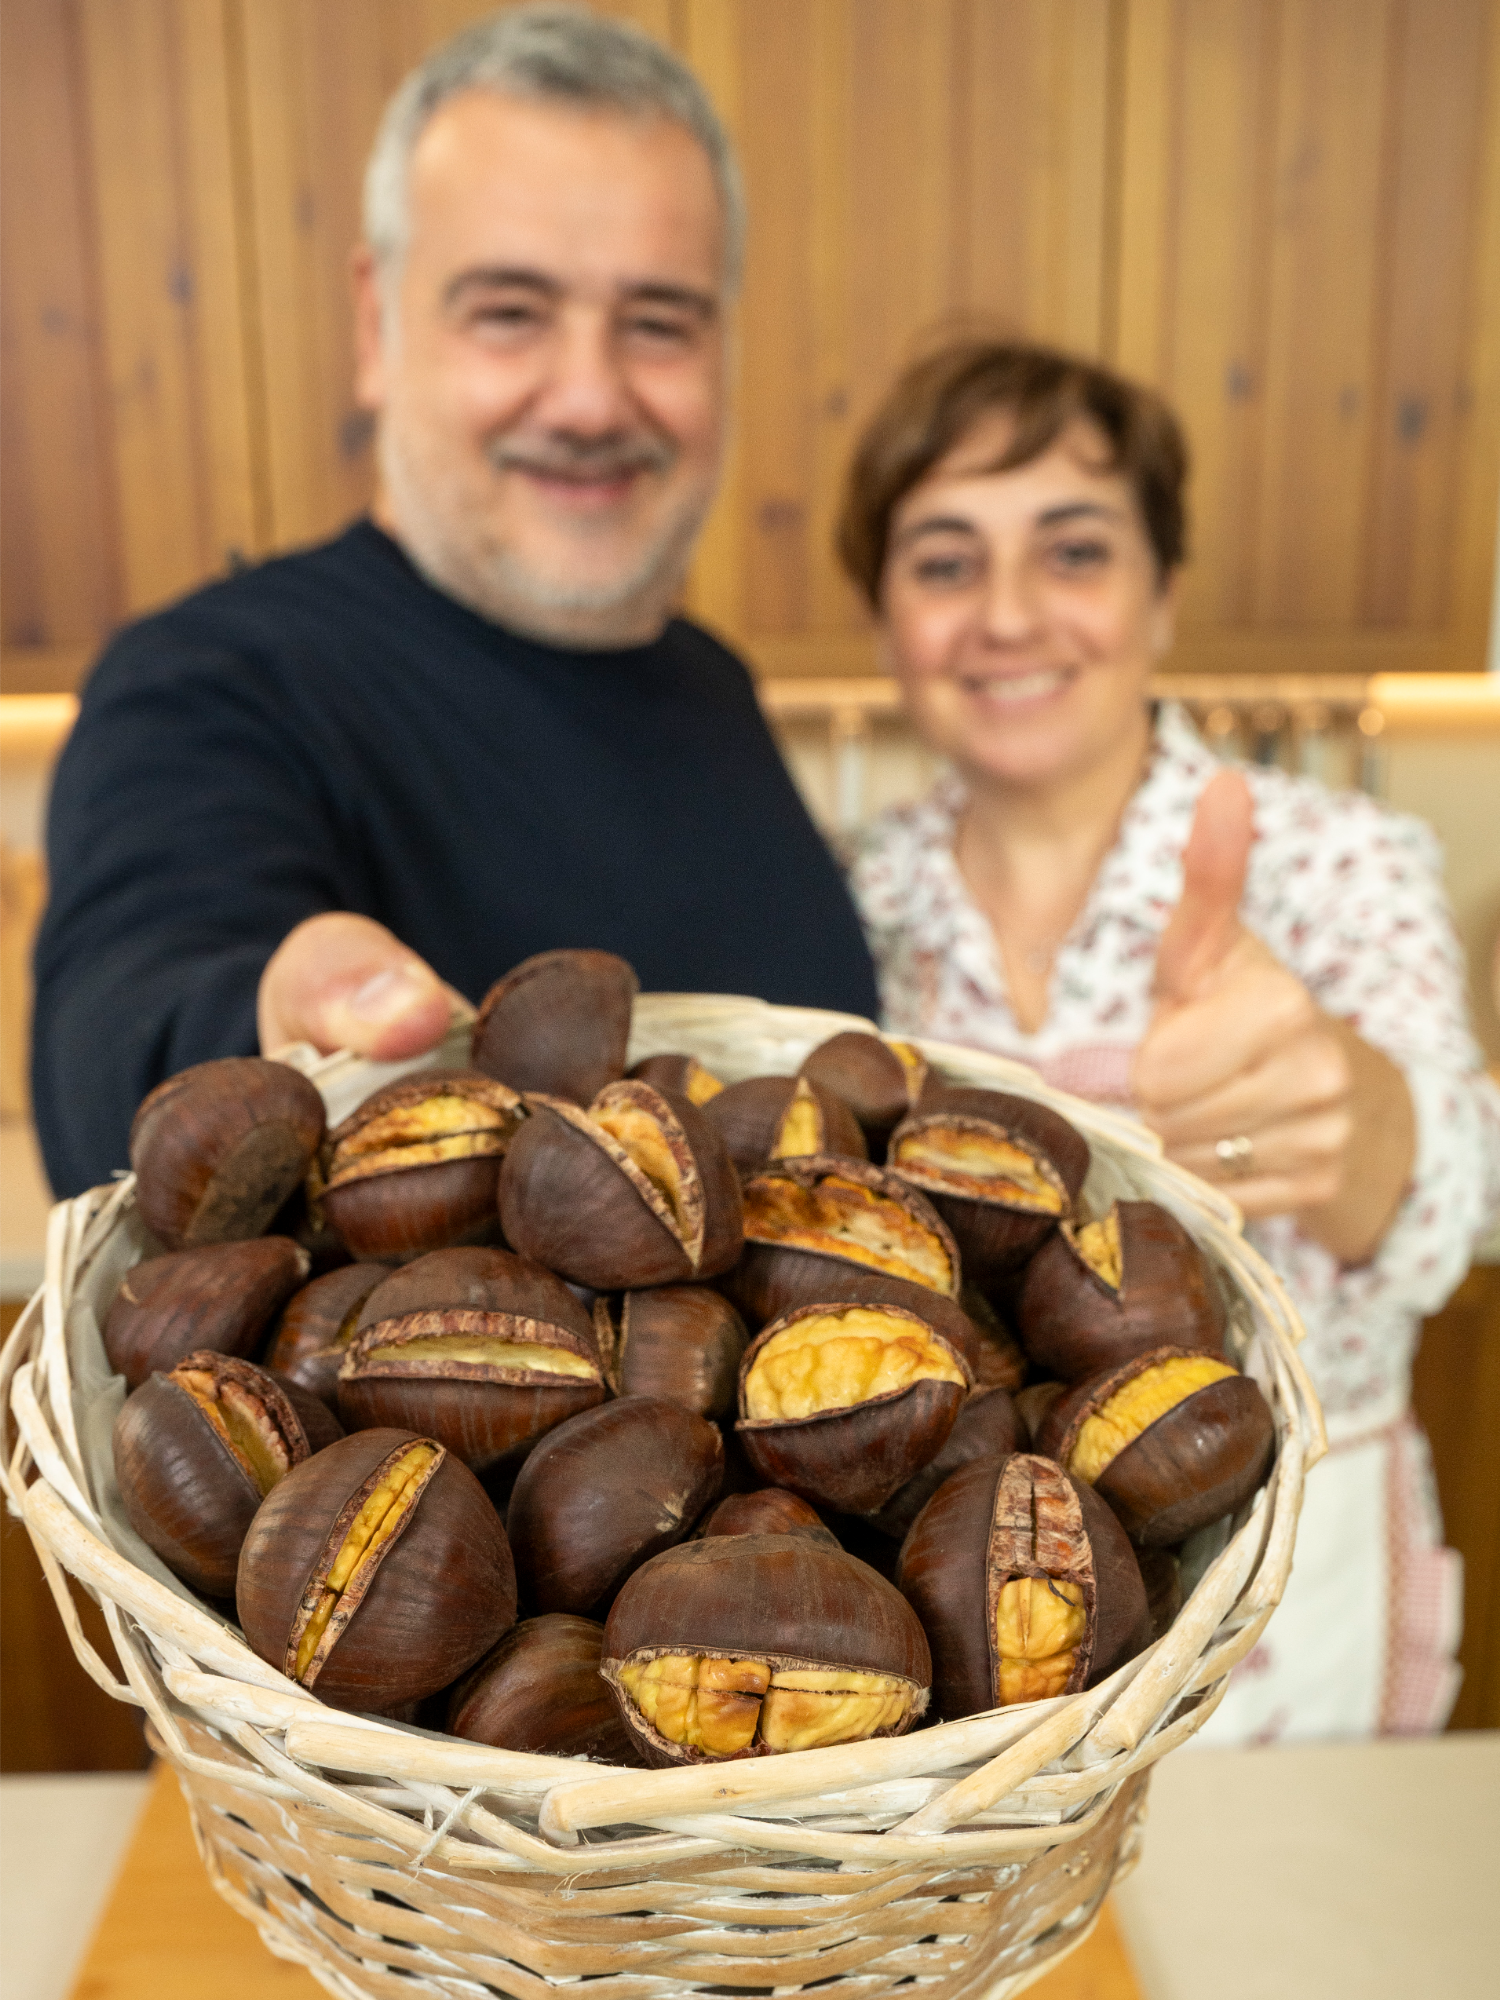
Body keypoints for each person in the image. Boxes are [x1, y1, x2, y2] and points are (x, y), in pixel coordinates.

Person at [32, 6, 878, 1198]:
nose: (589, 396)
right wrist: (277, 1009)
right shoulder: (210, 679)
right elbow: (126, 1011)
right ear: (379, 325)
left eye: (657, 322)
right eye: (509, 312)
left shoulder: (713, 682)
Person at [840, 339, 1500, 1742]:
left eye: (1072, 551)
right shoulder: (845, 902)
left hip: (1289, 1616)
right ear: (885, 615)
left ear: (1162, 592)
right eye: (946, 563)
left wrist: (1349, 1120)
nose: (1008, 615)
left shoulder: (1333, 863)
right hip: (974, 1648)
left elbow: (1447, 1199)